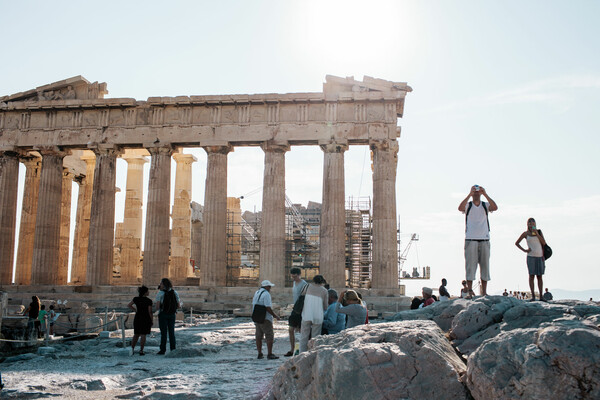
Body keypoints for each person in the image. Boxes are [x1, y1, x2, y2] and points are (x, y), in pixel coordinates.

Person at [458, 185, 498, 297]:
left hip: (484, 239)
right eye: (474, 191)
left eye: (477, 192)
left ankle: (484, 292)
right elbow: (460, 208)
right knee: (470, 266)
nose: (476, 193)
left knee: (485, 266)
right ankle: (470, 290)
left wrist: (485, 193)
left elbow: (495, 207)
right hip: (471, 239)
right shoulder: (468, 205)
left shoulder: (485, 205)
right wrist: (469, 194)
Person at [515, 217, 547, 301]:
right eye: (530, 223)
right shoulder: (525, 234)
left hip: (540, 256)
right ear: (527, 224)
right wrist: (525, 250)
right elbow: (517, 243)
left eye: (533, 223)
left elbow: (544, 243)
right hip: (531, 257)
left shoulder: (539, 232)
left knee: (539, 276)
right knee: (531, 276)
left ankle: (541, 296)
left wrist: (537, 234)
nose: (531, 225)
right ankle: (533, 296)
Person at [252, 280, 281, 360]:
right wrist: (275, 316)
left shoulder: (257, 292)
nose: (270, 288)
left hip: (257, 317)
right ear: (266, 287)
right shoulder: (266, 294)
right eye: (269, 286)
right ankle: (269, 353)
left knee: (258, 336)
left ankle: (260, 353)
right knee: (269, 336)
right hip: (265, 318)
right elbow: (267, 307)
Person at [299, 275, 328, 353]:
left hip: (307, 313)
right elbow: (325, 306)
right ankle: (313, 353)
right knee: (315, 337)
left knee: (304, 336)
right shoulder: (324, 290)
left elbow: (301, 296)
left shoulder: (307, 286)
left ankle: (302, 353)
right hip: (318, 315)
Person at [285, 267, 308, 357]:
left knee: (302, 331)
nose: (294, 278)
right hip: (295, 309)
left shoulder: (304, 284)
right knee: (291, 329)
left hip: (302, 310)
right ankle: (292, 348)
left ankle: (303, 349)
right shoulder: (294, 283)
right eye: (292, 277)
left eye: (295, 276)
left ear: (299, 275)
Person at [155, 278, 181, 355]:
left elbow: (157, 307)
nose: (160, 285)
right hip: (172, 314)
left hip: (163, 314)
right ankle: (173, 349)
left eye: (161, 283)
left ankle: (162, 350)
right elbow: (178, 305)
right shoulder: (175, 292)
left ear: (164, 285)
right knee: (171, 332)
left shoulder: (160, 293)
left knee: (163, 333)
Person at [128, 285, 153, 356]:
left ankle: (132, 349)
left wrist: (135, 310)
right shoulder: (149, 301)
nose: (149, 292)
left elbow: (129, 305)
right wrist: (151, 320)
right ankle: (141, 350)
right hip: (145, 318)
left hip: (138, 317)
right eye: (148, 291)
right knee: (143, 334)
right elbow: (150, 311)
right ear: (145, 292)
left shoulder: (136, 299)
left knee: (136, 334)